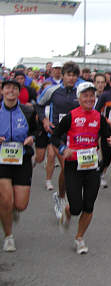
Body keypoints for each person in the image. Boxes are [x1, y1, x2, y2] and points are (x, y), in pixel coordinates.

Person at [50, 81, 111, 254]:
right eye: (85, 95)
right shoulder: (71, 116)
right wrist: (64, 149)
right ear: (79, 98)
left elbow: (107, 135)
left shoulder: (98, 117)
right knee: (76, 207)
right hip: (73, 165)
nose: (89, 99)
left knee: (89, 206)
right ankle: (67, 211)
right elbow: (55, 136)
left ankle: (79, 238)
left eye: (92, 95)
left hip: (91, 166)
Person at [36, 61, 80, 221]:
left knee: (68, 169)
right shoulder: (52, 90)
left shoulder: (80, 92)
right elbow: (39, 106)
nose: (71, 78)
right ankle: (62, 199)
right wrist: (45, 121)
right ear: (63, 75)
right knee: (66, 165)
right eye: (69, 74)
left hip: (75, 136)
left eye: (74, 75)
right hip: (57, 136)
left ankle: (60, 196)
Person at [0, 79, 37, 252]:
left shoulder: (28, 110)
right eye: (7, 88)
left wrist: (31, 138)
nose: (11, 91)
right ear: (2, 91)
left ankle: (11, 210)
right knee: (6, 201)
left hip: (22, 159)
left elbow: (36, 131)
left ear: (18, 92)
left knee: (20, 205)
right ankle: (8, 236)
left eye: (14, 88)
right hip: (2, 161)